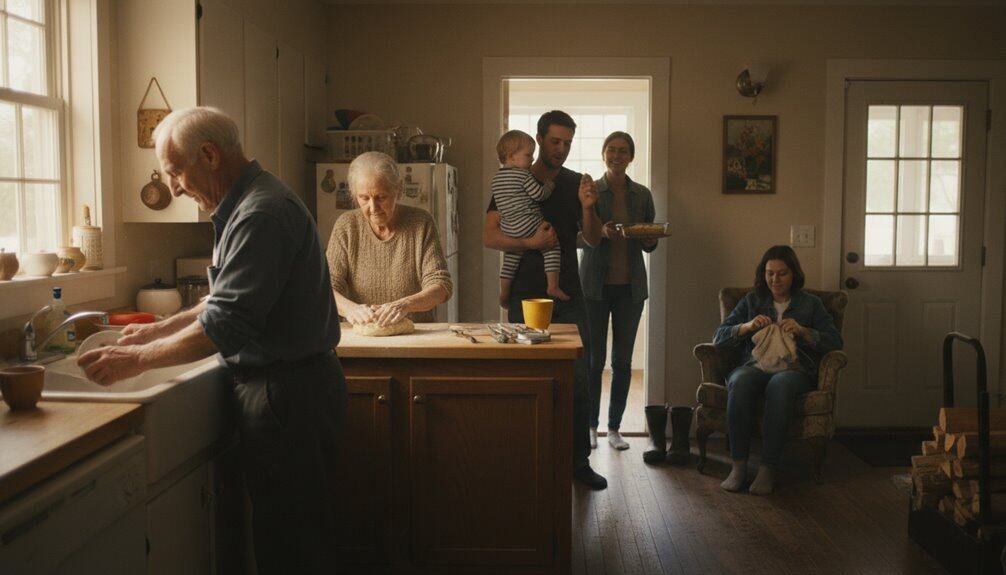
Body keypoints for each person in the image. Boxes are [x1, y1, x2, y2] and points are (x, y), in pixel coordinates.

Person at [76, 106, 346, 573]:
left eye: (175, 170)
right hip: (289, 391)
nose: (175, 186)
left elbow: (226, 325)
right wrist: (157, 330)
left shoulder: (260, 213)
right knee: (290, 533)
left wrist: (134, 361)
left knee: (292, 544)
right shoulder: (246, 205)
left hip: (287, 396)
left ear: (209, 154)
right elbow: (223, 300)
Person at [483, 110, 607, 490]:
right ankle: (528, 458)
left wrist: (588, 207)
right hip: (524, 293)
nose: (562, 149)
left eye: (568, 142)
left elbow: (594, 238)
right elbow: (490, 236)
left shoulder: (574, 183)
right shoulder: (511, 178)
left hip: (568, 293)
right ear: (539, 140)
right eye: (555, 141)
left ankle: (577, 462)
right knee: (528, 379)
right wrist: (529, 243)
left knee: (582, 379)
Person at [712, 245, 843, 495]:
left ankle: (767, 469)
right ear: (763, 274)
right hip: (754, 365)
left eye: (782, 273)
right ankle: (738, 466)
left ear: (794, 274)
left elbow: (835, 342)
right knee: (740, 381)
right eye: (770, 273)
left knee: (780, 385)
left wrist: (804, 331)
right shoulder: (752, 300)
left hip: (794, 369)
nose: (775, 279)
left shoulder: (811, 304)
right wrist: (747, 326)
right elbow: (719, 338)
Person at [579, 132, 661, 451]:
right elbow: (579, 235)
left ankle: (614, 428)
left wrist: (650, 238)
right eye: (611, 150)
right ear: (603, 155)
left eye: (623, 151)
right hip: (593, 289)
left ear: (631, 157)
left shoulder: (642, 195)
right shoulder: (591, 192)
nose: (617, 155)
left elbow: (649, 238)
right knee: (593, 360)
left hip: (631, 289)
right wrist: (599, 231)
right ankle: (590, 426)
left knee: (623, 362)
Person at [327, 151, 452, 326]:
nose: (373, 207)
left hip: (415, 336)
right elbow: (327, 286)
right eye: (364, 198)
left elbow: (441, 286)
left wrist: (404, 305)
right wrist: (350, 309)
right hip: (362, 336)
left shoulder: (421, 222)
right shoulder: (346, 225)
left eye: (381, 197)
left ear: (398, 190)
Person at [491, 129, 567, 307]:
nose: (532, 159)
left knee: (510, 259)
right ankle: (553, 286)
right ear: (511, 156)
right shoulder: (524, 175)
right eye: (528, 155)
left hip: (509, 228)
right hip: (529, 223)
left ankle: (504, 293)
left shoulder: (496, 179)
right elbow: (538, 195)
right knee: (552, 247)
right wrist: (548, 187)